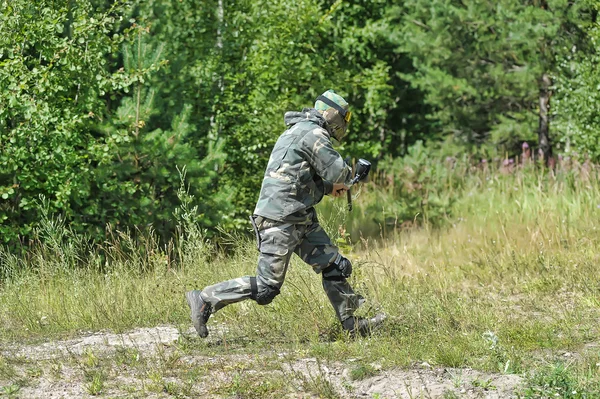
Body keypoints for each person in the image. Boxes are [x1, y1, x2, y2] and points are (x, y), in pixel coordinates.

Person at [186, 90, 385, 338]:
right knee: (267, 288)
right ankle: (205, 298)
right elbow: (338, 173)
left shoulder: (300, 130)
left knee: (335, 266)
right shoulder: (313, 133)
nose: (345, 124)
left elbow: (297, 175)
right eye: (345, 118)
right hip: (279, 219)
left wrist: (326, 188)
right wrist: (350, 177)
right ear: (333, 114)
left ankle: (352, 324)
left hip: (298, 216)